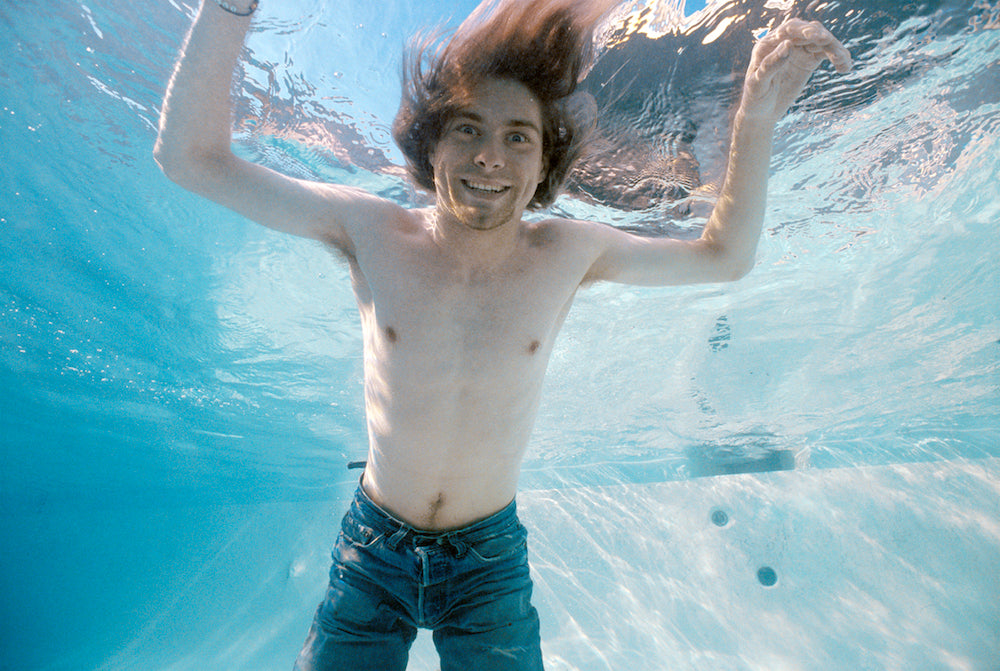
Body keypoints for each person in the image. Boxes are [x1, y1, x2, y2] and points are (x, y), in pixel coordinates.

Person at [154, 0, 852, 668]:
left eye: (517, 135)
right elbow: (190, 159)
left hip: (487, 563)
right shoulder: (372, 232)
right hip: (373, 551)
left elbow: (723, 257)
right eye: (467, 128)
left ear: (544, 162)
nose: (491, 156)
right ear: (431, 147)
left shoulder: (567, 253)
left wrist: (753, 117)